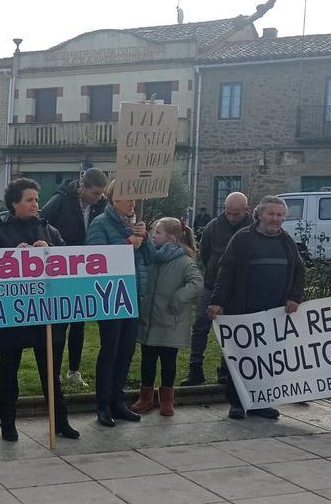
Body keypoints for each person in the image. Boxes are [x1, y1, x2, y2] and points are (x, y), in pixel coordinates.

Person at [0, 178, 79, 441]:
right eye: (29, 200)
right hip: (12, 312)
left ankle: (60, 421)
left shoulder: (47, 229)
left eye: (37, 199)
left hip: (46, 312)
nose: (35, 204)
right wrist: (12, 256)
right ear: (15, 203)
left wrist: (49, 250)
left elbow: (67, 259)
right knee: (9, 370)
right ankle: (7, 423)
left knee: (50, 371)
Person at [208, 196, 304, 420]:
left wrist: (294, 297)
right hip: (244, 309)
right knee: (241, 357)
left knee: (269, 359)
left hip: (276, 313)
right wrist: (217, 300)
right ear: (259, 214)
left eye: (280, 215)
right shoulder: (242, 239)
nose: (275, 219)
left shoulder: (287, 241)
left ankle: (261, 402)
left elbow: (300, 271)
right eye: (271, 214)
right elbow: (226, 270)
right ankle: (237, 402)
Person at [87, 181, 150, 427]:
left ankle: (117, 400)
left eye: (134, 199)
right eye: (127, 198)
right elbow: (94, 257)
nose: (132, 203)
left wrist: (144, 238)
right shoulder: (101, 223)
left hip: (132, 293)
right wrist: (126, 244)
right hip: (110, 294)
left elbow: (150, 257)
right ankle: (102, 404)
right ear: (114, 200)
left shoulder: (136, 225)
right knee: (110, 349)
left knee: (126, 350)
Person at [41, 168, 108, 387]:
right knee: (60, 323)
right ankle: (56, 371)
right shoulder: (60, 199)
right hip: (61, 267)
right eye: (95, 193)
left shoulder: (100, 206)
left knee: (79, 321)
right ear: (83, 187)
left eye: (101, 194)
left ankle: (74, 370)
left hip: (87, 267)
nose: (99, 198)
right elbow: (41, 221)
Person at [131, 217, 203, 416]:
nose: (154, 236)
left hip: (171, 320)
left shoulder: (185, 261)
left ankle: (167, 399)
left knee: (168, 362)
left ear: (171, 238)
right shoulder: (152, 258)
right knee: (147, 360)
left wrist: (178, 297)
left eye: (158, 233)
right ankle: (145, 397)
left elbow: (197, 283)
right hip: (150, 318)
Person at [184, 192, 252, 386]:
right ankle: (195, 368)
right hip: (211, 284)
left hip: (238, 288)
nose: (231, 217)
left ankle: (226, 371)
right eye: (228, 212)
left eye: (236, 214)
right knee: (200, 326)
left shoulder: (253, 229)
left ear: (246, 210)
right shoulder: (213, 226)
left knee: (231, 330)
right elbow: (204, 254)